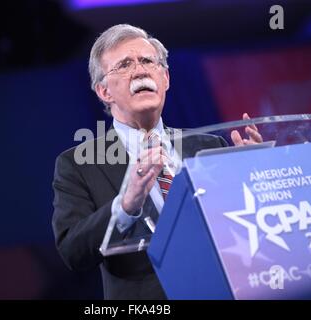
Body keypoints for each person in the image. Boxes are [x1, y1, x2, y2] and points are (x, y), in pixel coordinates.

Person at [52, 24, 262, 300]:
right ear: (104, 92)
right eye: (125, 64)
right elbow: (73, 252)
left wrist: (254, 177)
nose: (140, 71)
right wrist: (126, 205)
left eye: (148, 61)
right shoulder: (77, 164)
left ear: (165, 78)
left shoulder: (209, 146)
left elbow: (243, 228)